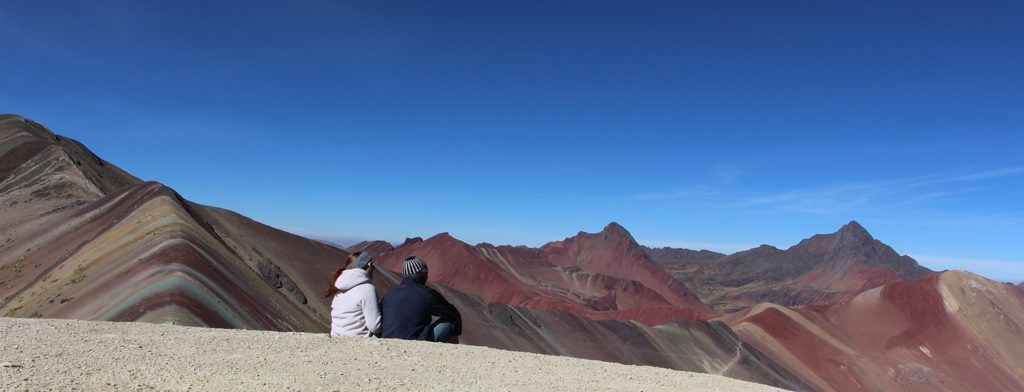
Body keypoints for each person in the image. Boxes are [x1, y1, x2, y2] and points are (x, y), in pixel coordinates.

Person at [380, 256, 462, 342]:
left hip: (387, 342)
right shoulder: (427, 294)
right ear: (422, 275)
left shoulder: (389, 294)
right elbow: (452, 312)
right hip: (415, 343)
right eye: (426, 273)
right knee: (452, 319)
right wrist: (456, 333)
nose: (427, 277)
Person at [323, 252, 381, 337]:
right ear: (368, 266)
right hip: (359, 341)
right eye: (372, 265)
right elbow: (375, 327)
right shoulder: (368, 289)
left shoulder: (339, 285)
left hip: (336, 339)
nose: (374, 268)